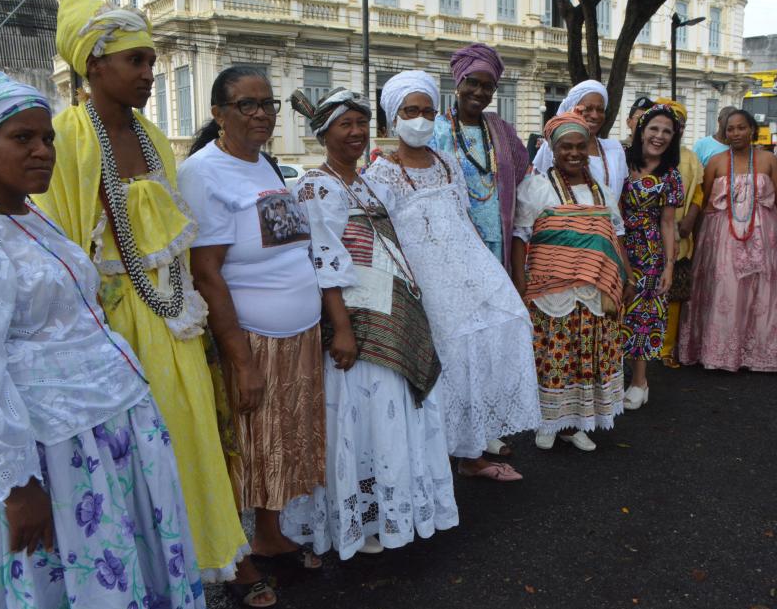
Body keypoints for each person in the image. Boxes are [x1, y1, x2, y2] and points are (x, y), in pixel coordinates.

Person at [0, 71, 204, 609]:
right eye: (22, 138)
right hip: (47, 452)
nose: (43, 151)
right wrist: (17, 485)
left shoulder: (26, 212)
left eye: (47, 138)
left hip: (99, 429)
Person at [32, 0, 269, 603]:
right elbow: (59, 248)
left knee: (195, 436)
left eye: (151, 62)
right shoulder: (64, 138)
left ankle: (212, 556)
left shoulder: (154, 136)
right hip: (110, 328)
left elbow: (175, 237)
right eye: (135, 61)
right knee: (135, 455)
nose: (148, 74)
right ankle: (148, 575)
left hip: (174, 317)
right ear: (94, 65)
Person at [280, 87, 458, 559]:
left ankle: (388, 511)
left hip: (392, 311)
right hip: (357, 320)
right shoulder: (315, 186)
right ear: (324, 133)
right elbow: (323, 261)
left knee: (390, 416)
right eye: (345, 124)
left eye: (361, 123)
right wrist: (341, 328)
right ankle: (360, 522)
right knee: (364, 419)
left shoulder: (366, 183)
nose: (356, 132)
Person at [177, 67, 326, 577]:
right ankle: (237, 560)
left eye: (268, 104)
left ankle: (268, 535)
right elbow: (206, 273)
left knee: (279, 444)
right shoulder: (203, 173)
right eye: (247, 104)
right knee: (244, 448)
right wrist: (240, 361)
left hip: (297, 335)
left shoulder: (263, 163)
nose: (262, 114)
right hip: (252, 340)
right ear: (218, 113)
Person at [365, 71, 540, 481]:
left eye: (428, 111)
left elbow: (462, 216)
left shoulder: (447, 162)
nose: (421, 119)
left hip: (467, 267)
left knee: (507, 324)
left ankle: (472, 452)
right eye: (411, 111)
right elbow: (382, 241)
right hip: (422, 281)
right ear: (393, 117)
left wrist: (488, 270)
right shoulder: (380, 173)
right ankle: (436, 457)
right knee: (447, 360)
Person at [432, 43, 531, 459]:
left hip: (495, 250)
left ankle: (486, 424)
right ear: (457, 83)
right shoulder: (437, 129)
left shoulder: (501, 130)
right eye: (472, 83)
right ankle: (449, 425)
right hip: (453, 254)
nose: (479, 92)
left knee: (490, 339)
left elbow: (523, 175)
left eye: (488, 86)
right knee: (456, 340)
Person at [512, 112, 627, 451]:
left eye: (580, 146)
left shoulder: (602, 193)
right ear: (553, 149)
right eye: (566, 147)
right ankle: (548, 422)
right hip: (550, 292)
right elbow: (520, 236)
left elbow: (615, 237)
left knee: (584, 357)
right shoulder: (537, 188)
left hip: (594, 290)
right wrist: (519, 283)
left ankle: (574, 425)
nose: (574, 153)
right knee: (553, 357)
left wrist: (626, 275)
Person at [678, 110, 777, 373]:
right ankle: (721, 352)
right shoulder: (716, 162)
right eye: (731, 129)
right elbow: (702, 202)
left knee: (763, 290)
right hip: (722, 237)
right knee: (726, 289)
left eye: (741, 127)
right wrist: (696, 240)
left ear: (752, 129)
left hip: (763, 234)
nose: (735, 133)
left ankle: (761, 353)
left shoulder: (768, 159)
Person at [619, 104, 684, 409]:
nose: (659, 136)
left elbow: (668, 223)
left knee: (642, 316)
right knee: (612, 310)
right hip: (614, 243)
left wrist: (669, 266)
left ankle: (639, 382)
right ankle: (609, 380)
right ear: (641, 130)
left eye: (667, 131)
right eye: (654, 128)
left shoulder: (670, 174)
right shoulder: (620, 160)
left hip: (648, 252)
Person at [533, 81, 629, 224]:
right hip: (563, 230)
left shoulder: (615, 150)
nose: (595, 115)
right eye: (588, 109)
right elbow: (537, 194)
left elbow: (619, 200)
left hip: (608, 231)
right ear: (573, 109)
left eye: (600, 110)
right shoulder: (551, 148)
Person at [653, 98, 704, 368]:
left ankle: (666, 348)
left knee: (673, 294)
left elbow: (698, 192)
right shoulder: (644, 154)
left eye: (678, 124)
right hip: (646, 236)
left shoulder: (690, 157)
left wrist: (690, 220)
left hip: (679, 235)